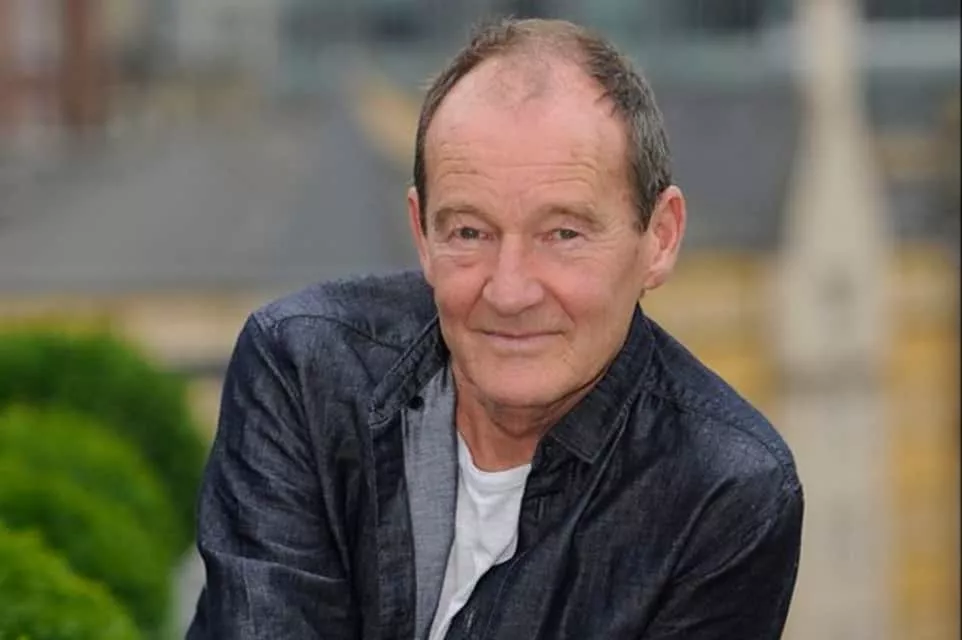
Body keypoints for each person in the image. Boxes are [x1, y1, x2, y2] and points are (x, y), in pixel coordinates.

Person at [187, 17, 803, 640]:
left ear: (660, 238)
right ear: (421, 234)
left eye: (563, 234)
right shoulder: (303, 370)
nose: (510, 292)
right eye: (469, 232)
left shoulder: (722, 491)